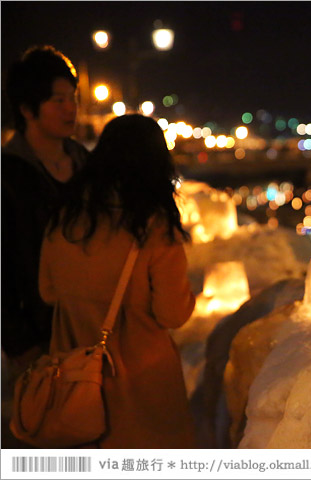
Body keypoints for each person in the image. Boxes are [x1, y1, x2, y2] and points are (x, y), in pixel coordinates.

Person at [39, 114, 197, 448]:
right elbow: (173, 314)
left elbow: (48, 291)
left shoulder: (64, 218)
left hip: (74, 387)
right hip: (142, 392)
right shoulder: (154, 226)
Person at [2, 45, 88, 362]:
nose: (71, 109)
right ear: (27, 109)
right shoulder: (8, 177)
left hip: (91, 332)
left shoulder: (86, 166)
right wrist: (21, 344)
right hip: (38, 341)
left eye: (74, 98)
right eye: (59, 100)